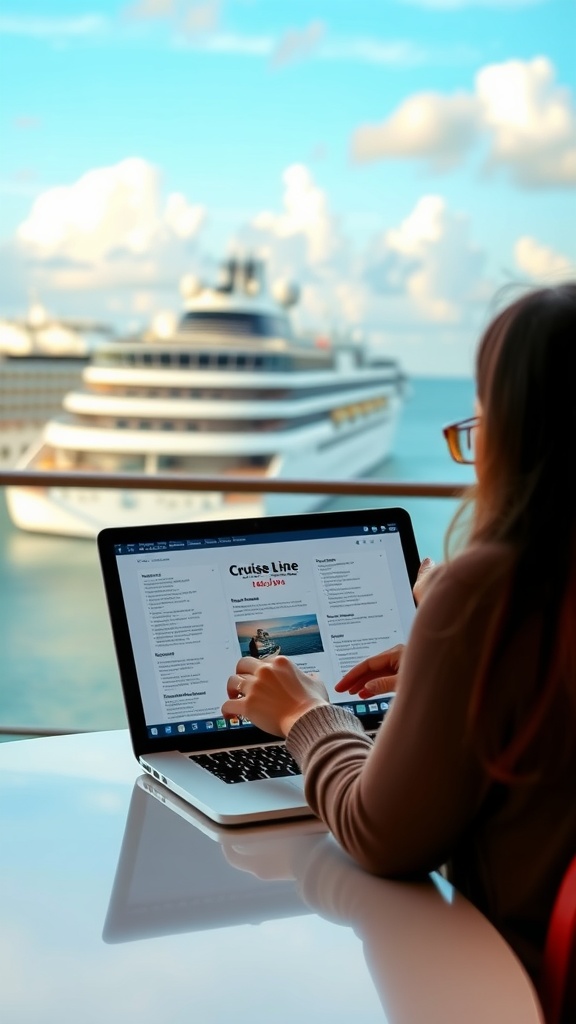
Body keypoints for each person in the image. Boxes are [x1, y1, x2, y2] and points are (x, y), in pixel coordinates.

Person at [222, 282, 576, 993]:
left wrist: (305, 715)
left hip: (506, 984)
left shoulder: (494, 591)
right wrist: (440, 667)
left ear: (514, 433)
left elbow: (383, 837)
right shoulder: (530, 598)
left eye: (482, 420)